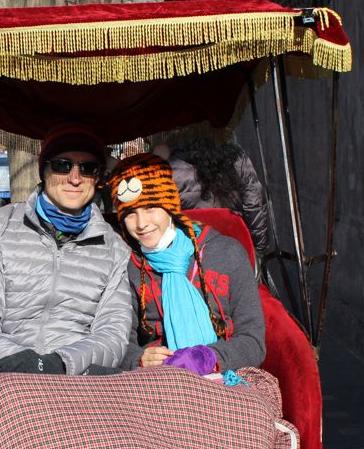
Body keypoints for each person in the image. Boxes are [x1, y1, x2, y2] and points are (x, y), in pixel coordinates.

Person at [0, 123, 132, 375]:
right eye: (62, 165)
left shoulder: (112, 247)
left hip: (78, 378)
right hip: (7, 373)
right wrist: (22, 364)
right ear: (44, 171)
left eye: (88, 168)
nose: (74, 178)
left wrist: (62, 363)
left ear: (97, 177)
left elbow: (113, 332)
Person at [107, 153, 266, 374]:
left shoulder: (228, 253)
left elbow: (253, 341)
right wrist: (140, 358)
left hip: (224, 374)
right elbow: (118, 341)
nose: (142, 224)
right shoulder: (128, 267)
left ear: (170, 206)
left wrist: (209, 357)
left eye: (151, 208)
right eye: (130, 214)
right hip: (157, 380)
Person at [164, 137, 270, 258]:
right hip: (237, 244)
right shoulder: (236, 158)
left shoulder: (169, 170)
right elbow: (255, 205)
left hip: (196, 250)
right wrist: (259, 248)